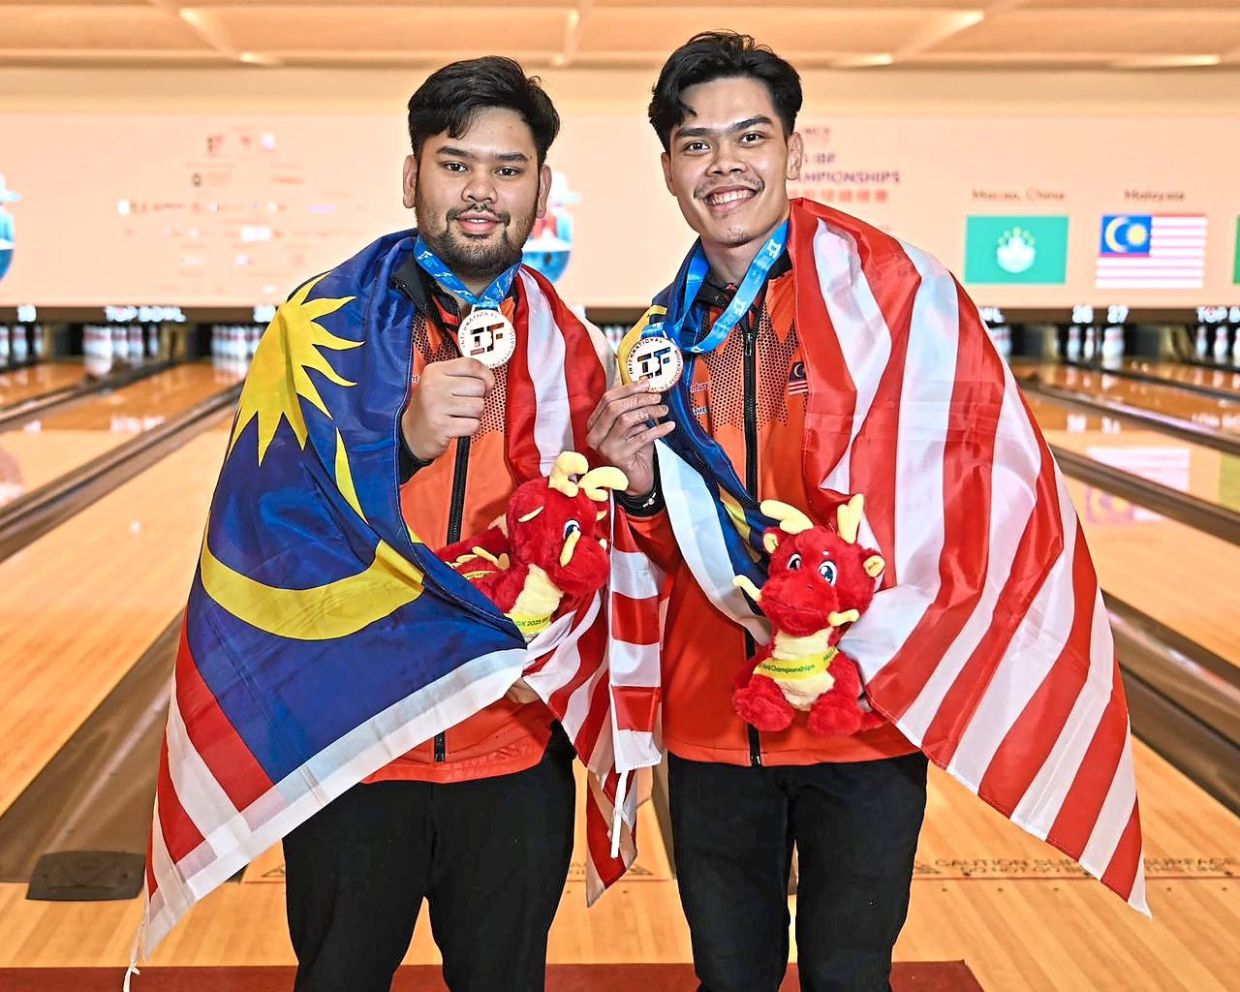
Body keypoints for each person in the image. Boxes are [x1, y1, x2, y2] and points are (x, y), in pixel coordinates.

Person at [589, 30, 1114, 992]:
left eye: (750, 137)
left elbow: (971, 487)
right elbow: (660, 553)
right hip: (713, 724)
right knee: (730, 975)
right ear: (669, 168)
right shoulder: (658, 342)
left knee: (850, 973)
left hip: (865, 715)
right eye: (697, 143)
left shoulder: (892, 301)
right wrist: (640, 488)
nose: (724, 164)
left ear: (792, 148)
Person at [281, 56, 612, 992]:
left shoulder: (573, 349)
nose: (481, 191)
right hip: (355, 750)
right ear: (411, 174)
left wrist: (632, 488)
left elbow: (595, 553)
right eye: (455, 163)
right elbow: (270, 525)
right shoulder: (323, 325)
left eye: (508, 169)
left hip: (513, 750)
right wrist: (400, 443)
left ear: (540, 190)